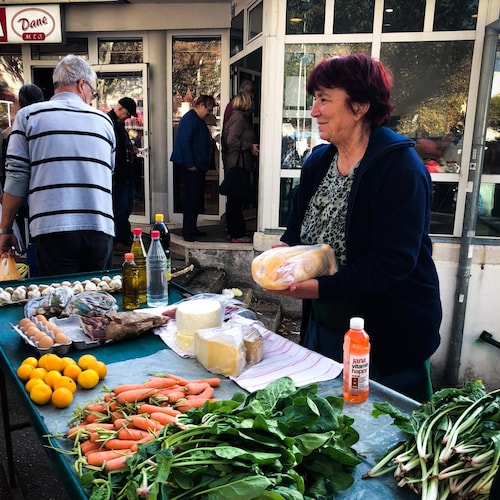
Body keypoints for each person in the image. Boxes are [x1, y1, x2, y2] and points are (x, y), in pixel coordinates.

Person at [265, 53, 442, 403]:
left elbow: (392, 263)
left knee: (384, 431)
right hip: (325, 324)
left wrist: (314, 289)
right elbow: (297, 233)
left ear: (360, 106)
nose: (314, 110)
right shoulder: (319, 161)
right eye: (314, 99)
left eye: (324, 99)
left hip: (385, 333)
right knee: (325, 418)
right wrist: (283, 255)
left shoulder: (399, 168)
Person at [0, 54, 116, 276]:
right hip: (99, 227)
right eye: (92, 91)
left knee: (57, 305)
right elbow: (107, 172)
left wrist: (5, 228)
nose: (91, 98)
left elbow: (16, 177)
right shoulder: (104, 121)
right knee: (96, 303)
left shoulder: (28, 117)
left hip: (52, 229)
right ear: (82, 84)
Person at [0, 84, 45, 276]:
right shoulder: (47, 124)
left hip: (20, 194)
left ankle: (30, 265)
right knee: (36, 237)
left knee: (27, 235)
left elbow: (9, 169)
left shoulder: (12, 131)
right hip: (43, 195)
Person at [170, 94, 216, 242]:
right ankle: (188, 230)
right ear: (201, 105)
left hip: (196, 165)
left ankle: (192, 227)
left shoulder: (197, 120)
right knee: (191, 198)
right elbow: (184, 142)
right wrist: (190, 164)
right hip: (190, 166)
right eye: (208, 110)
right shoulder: (190, 119)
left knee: (195, 198)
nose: (208, 113)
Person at [221, 91, 259, 243]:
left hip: (236, 163)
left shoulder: (237, 117)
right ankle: (237, 233)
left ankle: (233, 232)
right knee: (236, 200)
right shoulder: (239, 118)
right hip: (238, 164)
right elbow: (232, 140)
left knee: (233, 201)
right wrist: (250, 146)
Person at [108, 97, 138, 252]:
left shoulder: (117, 124)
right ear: (119, 108)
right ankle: (119, 240)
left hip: (123, 174)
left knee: (125, 207)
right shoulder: (110, 123)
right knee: (121, 208)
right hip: (118, 176)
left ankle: (123, 238)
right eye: (128, 113)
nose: (128, 117)